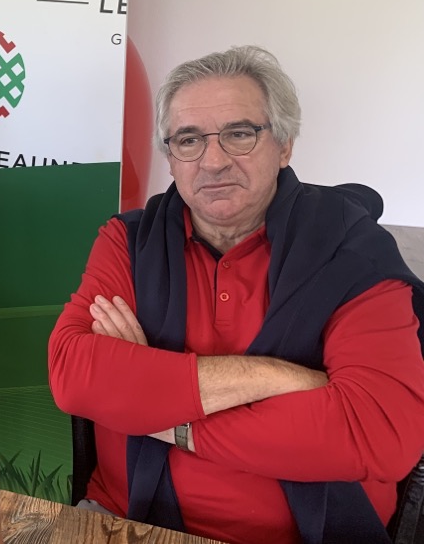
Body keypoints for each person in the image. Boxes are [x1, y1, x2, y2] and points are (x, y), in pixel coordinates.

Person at [48, 46, 424, 544]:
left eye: (239, 134)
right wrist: (280, 378)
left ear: (284, 145)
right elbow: (74, 375)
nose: (213, 160)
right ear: (170, 158)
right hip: (123, 521)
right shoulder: (129, 241)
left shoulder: (352, 251)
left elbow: (378, 433)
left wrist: (165, 415)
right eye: (188, 140)